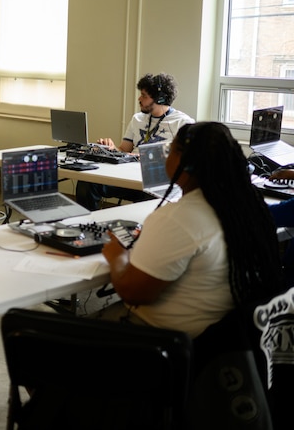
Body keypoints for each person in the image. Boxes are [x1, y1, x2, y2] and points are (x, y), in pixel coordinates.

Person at [100, 122, 284, 338]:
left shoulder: (177, 218)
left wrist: (118, 256)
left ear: (185, 164)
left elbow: (133, 293)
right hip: (226, 334)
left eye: (169, 150)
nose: (165, 157)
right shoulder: (246, 208)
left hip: (165, 339)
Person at [75, 72, 194, 210]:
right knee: (87, 183)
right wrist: (111, 148)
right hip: (128, 175)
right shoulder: (137, 119)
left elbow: (186, 161)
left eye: (144, 96)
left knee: (151, 201)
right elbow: (124, 149)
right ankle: (88, 221)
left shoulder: (183, 123)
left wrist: (149, 157)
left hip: (156, 181)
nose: (139, 98)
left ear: (160, 99)